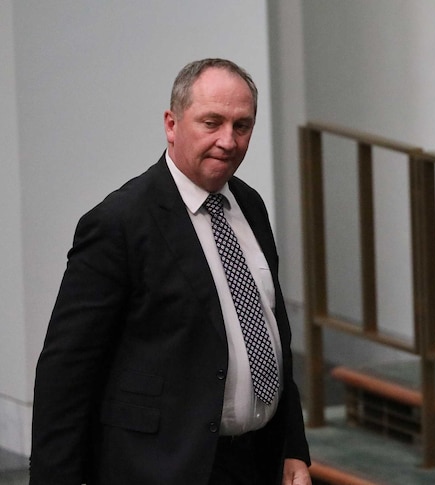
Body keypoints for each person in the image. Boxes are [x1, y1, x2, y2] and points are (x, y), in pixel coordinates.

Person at [30, 58, 312, 485]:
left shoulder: (250, 206)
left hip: (255, 463)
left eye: (242, 126)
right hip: (160, 468)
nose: (228, 141)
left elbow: (271, 333)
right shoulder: (119, 223)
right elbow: (66, 374)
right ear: (171, 123)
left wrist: (293, 447)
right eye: (211, 122)